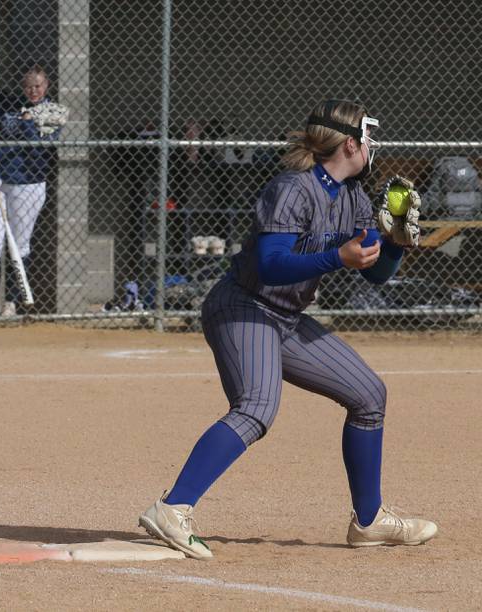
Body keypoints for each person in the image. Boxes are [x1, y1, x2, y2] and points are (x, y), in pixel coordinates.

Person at [138, 99, 437, 559]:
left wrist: (394, 239)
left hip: (286, 317)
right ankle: (173, 507)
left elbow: (374, 273)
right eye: (368, 137)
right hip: (244, 305)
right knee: (256, 407)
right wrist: (338, 256)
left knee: (368, 395)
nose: (373, 146)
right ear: (350, 144)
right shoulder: (292, 189)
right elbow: (272, 264)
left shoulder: (355, 197)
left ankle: (370, 520)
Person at [0, 65, 60, 316]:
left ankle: (12, 302)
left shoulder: (54, 111)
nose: (33, 90)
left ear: (46, 86)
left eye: (38, 85)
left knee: (19, 244)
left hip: (29, 184)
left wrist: (27, 123)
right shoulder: (9, 107)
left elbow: (41, 144)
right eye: (28, 86)